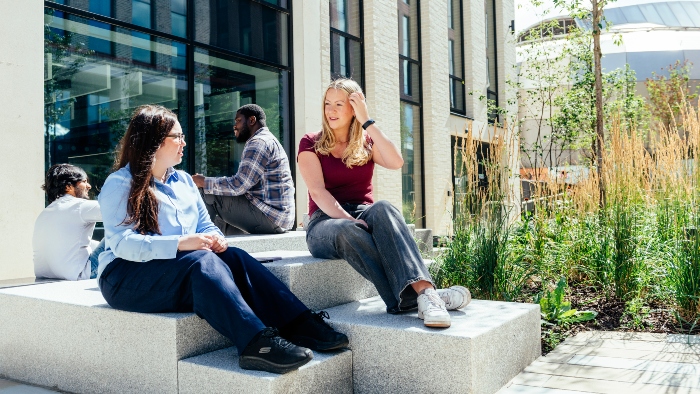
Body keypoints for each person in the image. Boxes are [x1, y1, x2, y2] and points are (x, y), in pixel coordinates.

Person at [97, 105, 348, 374]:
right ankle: (255, 343)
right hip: (124, 276)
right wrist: (181, 243)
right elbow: (123, 244)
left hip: (176, 267)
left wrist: (216, 239)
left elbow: (206, 225)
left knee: (234, 256)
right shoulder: (121, 183)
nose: (183, 142)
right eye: (177, 137)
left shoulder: (183, 180)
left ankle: (299, 323)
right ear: (155, 141)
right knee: (201, 260)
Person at [297, 78, 471, 328]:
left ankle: (426, 294)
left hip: (363, 212)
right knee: (348, 230)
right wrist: (348, 220)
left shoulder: (366, 141)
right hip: (324, 223)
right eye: (327, 104)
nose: (331, 110)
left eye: (339, 104)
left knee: (385, 208)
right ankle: (420, 297)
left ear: (354, 107)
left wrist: (367, 121)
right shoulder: (311, 142)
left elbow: (396, 161)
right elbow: (317, 191)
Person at [192, 104, 294, 235]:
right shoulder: (268, 140)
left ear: (252, 120)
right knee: (220, 205)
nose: (235, 125)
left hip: (269, 217)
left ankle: (198, 242)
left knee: (207, 192)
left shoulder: (258, 142)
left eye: (238, 121)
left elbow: (239, 185)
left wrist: (203, 182)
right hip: (277, 219)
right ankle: (224, 244)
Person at [33, 164, 105, 280]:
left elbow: (73, 241)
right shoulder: (79, 206)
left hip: (45, 275)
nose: (89, 186)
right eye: (84, 181)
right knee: (121, 233)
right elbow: (122, 213)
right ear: (68, 187)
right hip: (79, 274)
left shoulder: (45, 213)